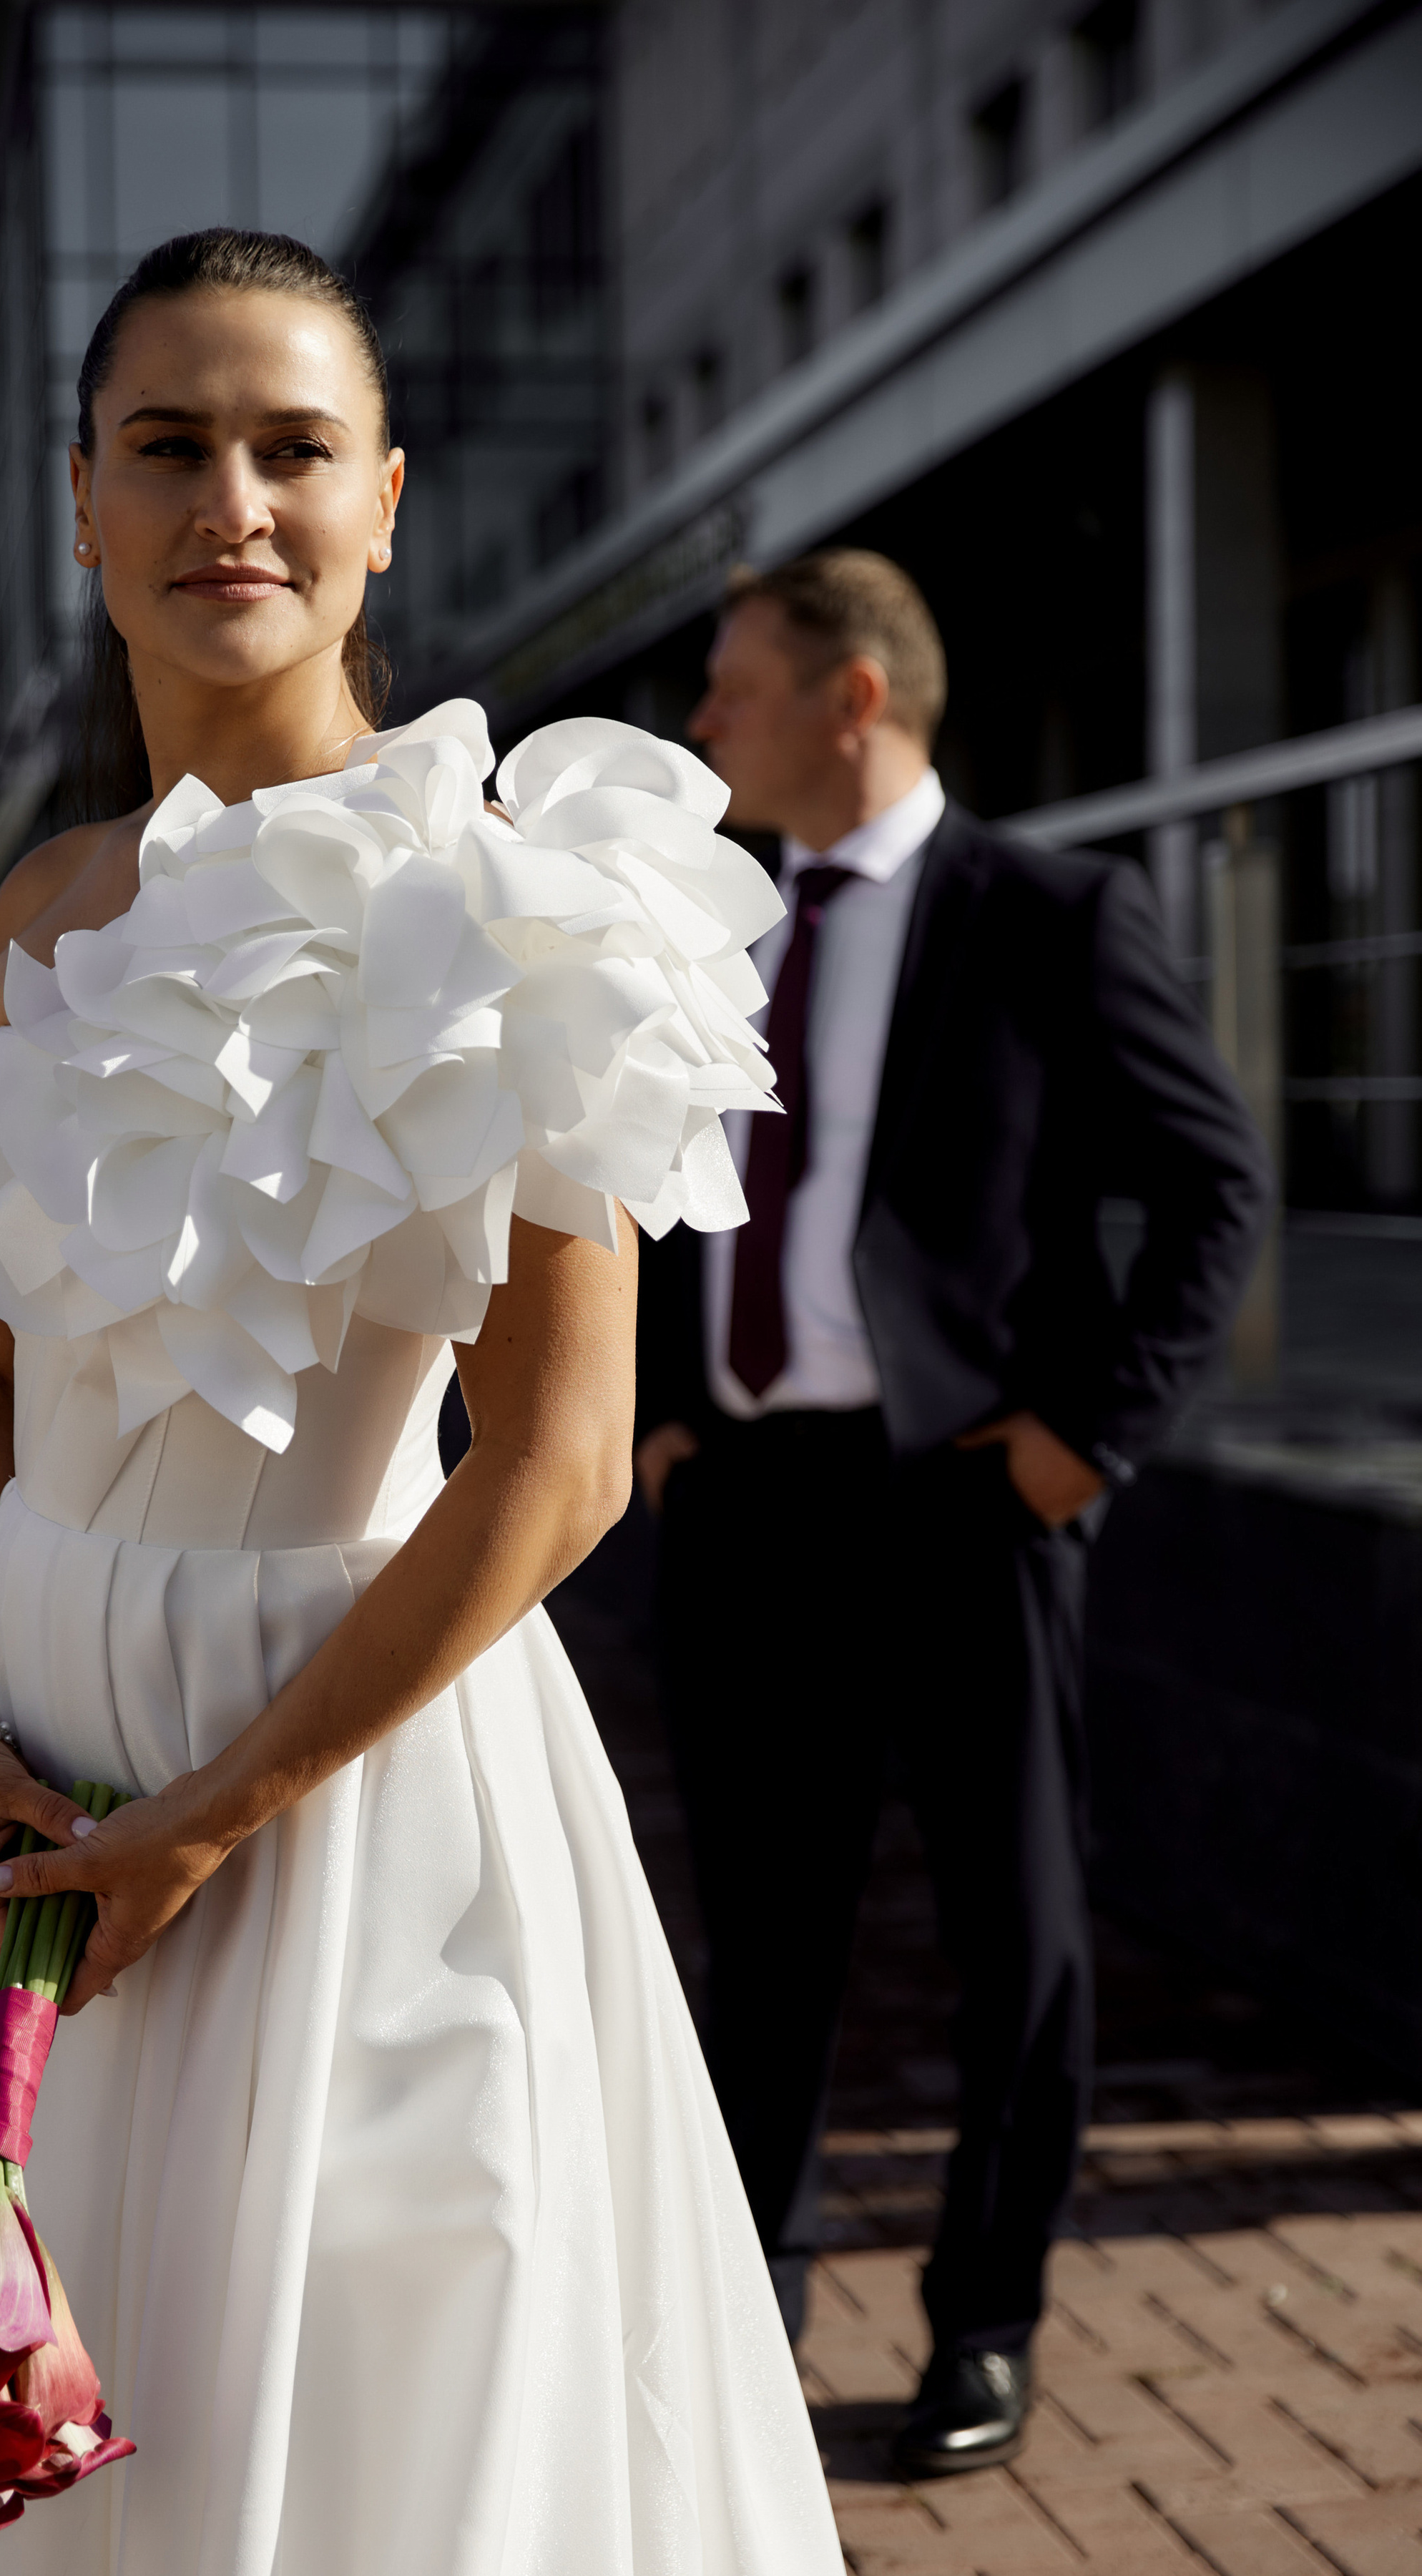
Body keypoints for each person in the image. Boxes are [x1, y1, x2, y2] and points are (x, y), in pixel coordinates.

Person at [0, 235, 881, 2576]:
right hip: (21, 1803)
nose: (236, 501)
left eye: (295, 446)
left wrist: (217, 1813)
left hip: (354, 1789)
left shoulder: (542, 895)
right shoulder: (39, 917)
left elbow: (547, 1472)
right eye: (170, 446)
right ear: (82, 507)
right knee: (12, 2459)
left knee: (350, 2486)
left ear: (388, 503)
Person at [636, 549, 1272, 2478]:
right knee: (764, 1936)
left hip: (965, 1495)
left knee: (1021, 1934)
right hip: (751, 1504)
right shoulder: (705, 929)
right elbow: (653, 1180)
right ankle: (754, 2313)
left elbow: (1215, 1186)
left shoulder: (1055, 915)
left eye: (734, 691)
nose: (699, 728)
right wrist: (670, 1417)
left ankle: (983, 2327)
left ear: (855, 698)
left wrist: (1089, 1438)